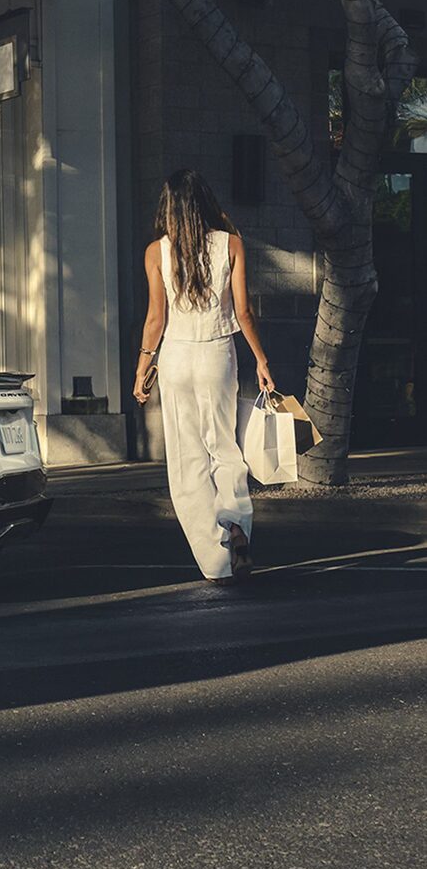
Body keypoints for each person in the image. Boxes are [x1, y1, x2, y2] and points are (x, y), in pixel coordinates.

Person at [133, 169, 275, 583]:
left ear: (169, 208)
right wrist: (262, 360)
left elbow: (155, 318)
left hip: (176, 359)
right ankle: (235, 524)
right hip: (218, 356)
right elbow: (244, 312)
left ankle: (216, 564)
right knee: (224, 448)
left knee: (187, 460)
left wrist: (144, 367)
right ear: (205, 202)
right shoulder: (231, 244)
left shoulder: (155, 252)